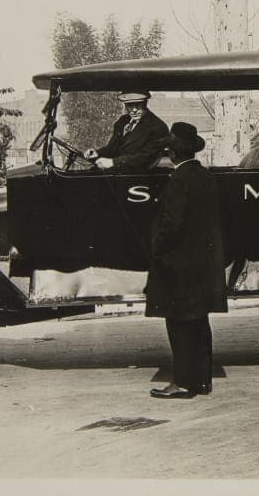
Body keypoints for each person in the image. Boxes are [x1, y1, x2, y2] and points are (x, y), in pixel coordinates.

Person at [146, 122, 228, 399]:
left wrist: (158, 248)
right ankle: (202, 381)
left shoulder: (179, 179)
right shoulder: (204, 176)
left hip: (178, 265)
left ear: (175, 152)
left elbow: (172, 224)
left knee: (179, 325)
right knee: (199, 323)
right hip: (202, 264)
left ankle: (181, 382)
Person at [84, 90, 169, 172]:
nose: (134, 110)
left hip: (134, 177)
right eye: (130, 105)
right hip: (115, 172)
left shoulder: (158, 127)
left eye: (138, 104)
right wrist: (97, 153)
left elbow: (145, 157)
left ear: (145, 103)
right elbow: (112, 148)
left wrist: (113, 162)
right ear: (125, 105)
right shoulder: (123, 121)